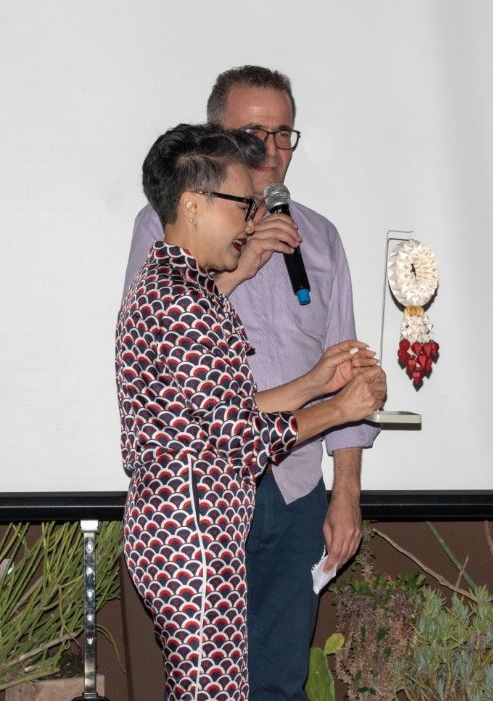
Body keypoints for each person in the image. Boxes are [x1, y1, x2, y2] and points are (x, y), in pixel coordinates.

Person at [123, 67, 379, 699]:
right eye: (252, 134)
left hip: (295, 489)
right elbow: (229, 421)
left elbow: (324, 371)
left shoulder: (320, 236)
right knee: (210, 687)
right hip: (202, 501)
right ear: (216, 140)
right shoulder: (167, 230)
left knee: (278, 681)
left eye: (283, 133)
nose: (270, 149)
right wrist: (243, 263)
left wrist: (344, 487)